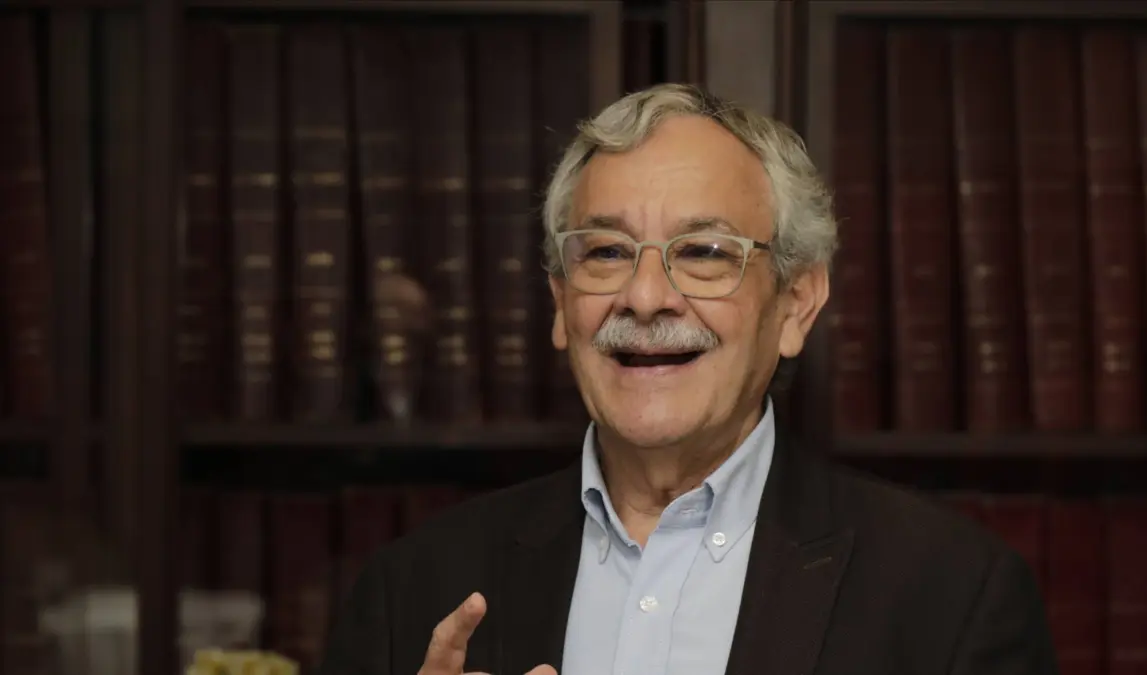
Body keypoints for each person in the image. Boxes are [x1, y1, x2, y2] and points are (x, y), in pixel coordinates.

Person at [318, 83, 1058, 675]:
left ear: (796, 303)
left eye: (704, 252)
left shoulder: (952, 597)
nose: (645, 297)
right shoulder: (410, 591)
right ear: (559, 303)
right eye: (606, 252)